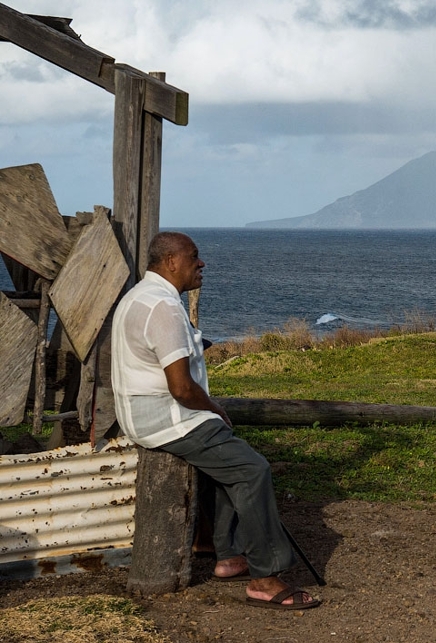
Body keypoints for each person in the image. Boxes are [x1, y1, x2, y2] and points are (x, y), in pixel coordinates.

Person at [111, 231, 320, 611]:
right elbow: (180, 387)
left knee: (228, 464)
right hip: (167, 417)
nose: (201, 263)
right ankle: (265, 579)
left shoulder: (139, 296)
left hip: (148, 413)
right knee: (251, 469)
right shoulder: (163, 307)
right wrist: (214, 410)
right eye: (194, 256)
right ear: (172, 261)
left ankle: (228, 555)